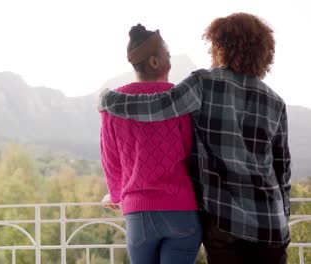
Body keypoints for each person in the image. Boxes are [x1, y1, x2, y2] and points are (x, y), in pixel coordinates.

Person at [99, 13, 291, 264]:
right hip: (271, 225)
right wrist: (282, 217)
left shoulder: (204, 83)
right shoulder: (276, 101)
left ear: (220, 45)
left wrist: (108, 99)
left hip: (225, 221)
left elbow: (157, 107)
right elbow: (282, 170)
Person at [100, 24, 202, 264]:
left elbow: (111, 161)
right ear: (155, 62)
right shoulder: (178, 99)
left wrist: (115, 196)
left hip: (139, 216)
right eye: (167, 56)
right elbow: (191, 152)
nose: (171, 61)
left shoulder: (113, 105)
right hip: (182, 211)